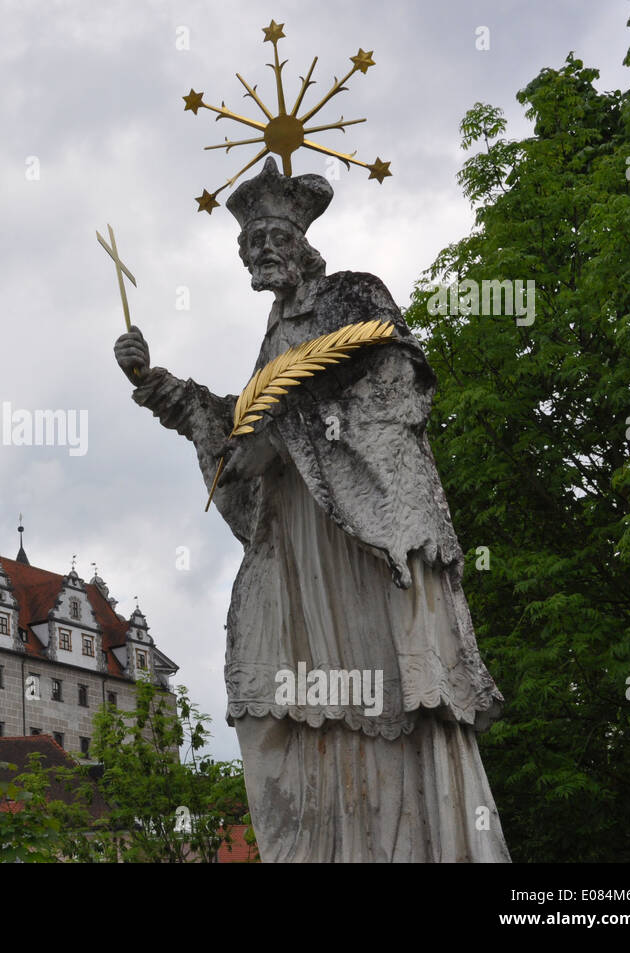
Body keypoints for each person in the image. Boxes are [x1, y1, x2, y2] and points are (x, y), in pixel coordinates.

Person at [114, 158, 510, 862]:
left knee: (385, 701)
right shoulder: (273, 339)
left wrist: (292, 426)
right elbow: (238, 426)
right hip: (296, 543)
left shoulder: (351, 296)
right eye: (249, 245)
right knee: (291, 712)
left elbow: (399, 388)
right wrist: (155, 382)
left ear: (302, 243)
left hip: (359, 535)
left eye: (272, 238)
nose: (261, 253)